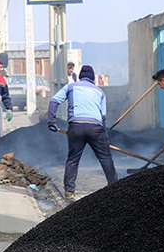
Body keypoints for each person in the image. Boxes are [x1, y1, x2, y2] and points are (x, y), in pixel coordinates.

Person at [47, 65, 117, 199]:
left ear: (80, 76)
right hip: (95, 128)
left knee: (73, 159)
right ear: (92, 78)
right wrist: (104, 138)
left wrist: (51, 121)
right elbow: (103, 117)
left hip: (76, 127)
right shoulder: (99, 91)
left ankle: (69, 191)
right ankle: (114, 187)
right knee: (105, 158)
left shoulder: (71, 87)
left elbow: (54, 101)